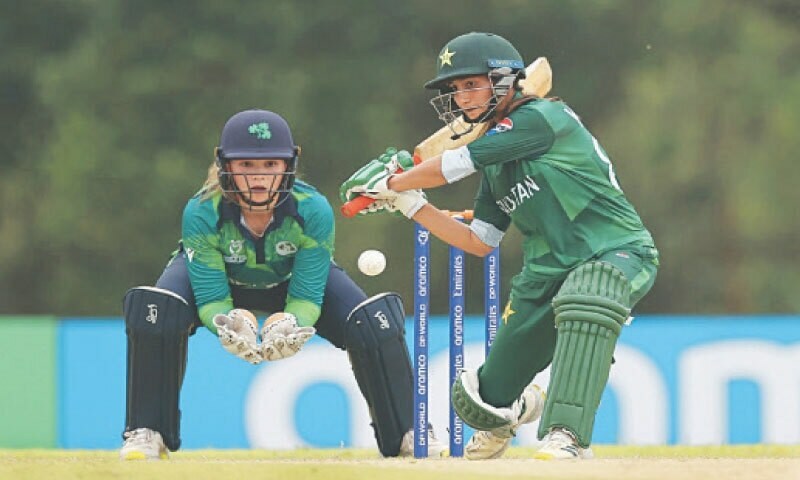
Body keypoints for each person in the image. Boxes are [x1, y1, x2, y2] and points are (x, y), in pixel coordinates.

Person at [340, 32, 659, 460]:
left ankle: (567, 436)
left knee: (588, 294)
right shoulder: (496, 164)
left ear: (507, 80)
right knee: (483, 400)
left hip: (616, 250)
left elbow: (456, 165)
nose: (463, 98)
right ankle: (525, 404)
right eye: (456, 90)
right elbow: (478, 241)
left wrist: (392, 182)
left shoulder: (542, 118)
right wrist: (410, 203)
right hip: (543, 275)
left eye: (472, 85)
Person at [120, 109, 445, 460]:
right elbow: (212, 295)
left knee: (373, 321)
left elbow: (307, 294)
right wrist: (230, 323)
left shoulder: (313, 208)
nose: (258, 178)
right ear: (225, 165)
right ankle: (146, 432)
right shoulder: (202, 210)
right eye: (246, 166)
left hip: (289, 279)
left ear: (289, 164)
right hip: (220, 281)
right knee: (154, 310)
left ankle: (411, 432)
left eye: (270, 165)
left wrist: (291, 322)